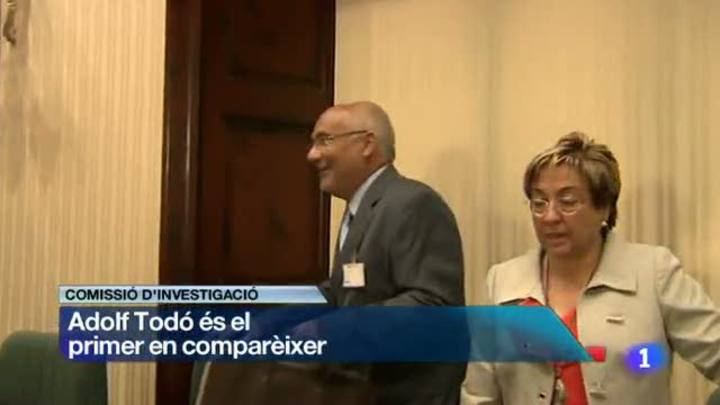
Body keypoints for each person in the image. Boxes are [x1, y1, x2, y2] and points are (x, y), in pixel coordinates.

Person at [461, 132, 720, 405]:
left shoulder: (654, 272)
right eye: (539, 203)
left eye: (568, 202)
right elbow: (478, 395)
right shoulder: (503, 281)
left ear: (604, 208)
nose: (550, 216)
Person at [306, 101, 466, 404]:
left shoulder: (414, 203)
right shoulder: (361, 209)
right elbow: (343, 292)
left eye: (324, 140)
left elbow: (432, 306)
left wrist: (327, 329)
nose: (312, 155)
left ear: (367, 144)